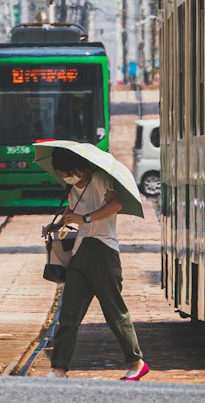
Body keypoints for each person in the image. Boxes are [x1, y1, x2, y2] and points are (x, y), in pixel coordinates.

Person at [42, 145, 149, 381]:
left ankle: (136, 361)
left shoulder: (100, 179)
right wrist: (58, 225)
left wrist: (85, 218)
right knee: (68, 314)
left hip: (103, 250)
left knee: (114, 311)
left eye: (68, 171)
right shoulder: (71, 187)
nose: (66, 176)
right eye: (62, 173)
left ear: (80, 167)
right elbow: (72, 210)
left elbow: (115, 205)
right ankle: (59, 368)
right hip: (80, 251)